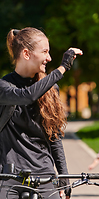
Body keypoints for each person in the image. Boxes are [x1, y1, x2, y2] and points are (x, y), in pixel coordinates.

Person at [0, 27, 83, 199]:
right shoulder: (4, 87)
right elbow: (26, 96)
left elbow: (55, 137)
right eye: (45, 52)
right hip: (9, 177)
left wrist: (63, 177)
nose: (49, 58)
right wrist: (62, 69)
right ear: (26, 54)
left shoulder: (51, 89)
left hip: (44, 176)